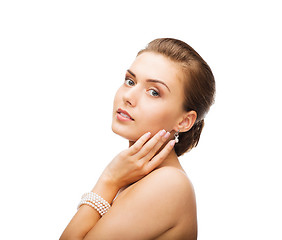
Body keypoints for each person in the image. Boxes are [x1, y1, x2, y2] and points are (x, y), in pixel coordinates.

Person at [60, 38, 215, 240]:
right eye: (130, 81)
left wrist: (109, 180)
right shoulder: (136, 177)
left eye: (154, 92)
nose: (129, 96)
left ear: (185, 121)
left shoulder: (169, 183)